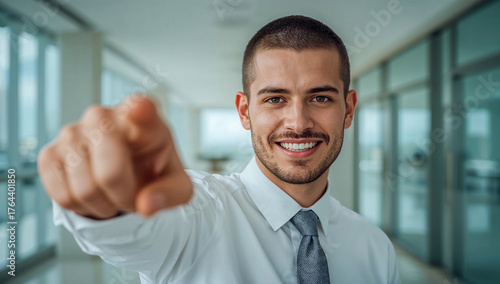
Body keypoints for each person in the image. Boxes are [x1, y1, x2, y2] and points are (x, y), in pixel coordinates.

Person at [38, 15, 400, 284]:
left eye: (320, 97)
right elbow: (134, 233)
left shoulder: (374, 248)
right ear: (245, 111)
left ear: (348, 109)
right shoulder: (200, 218)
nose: (298, 121)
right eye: (275, 99)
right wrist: (110, 203)